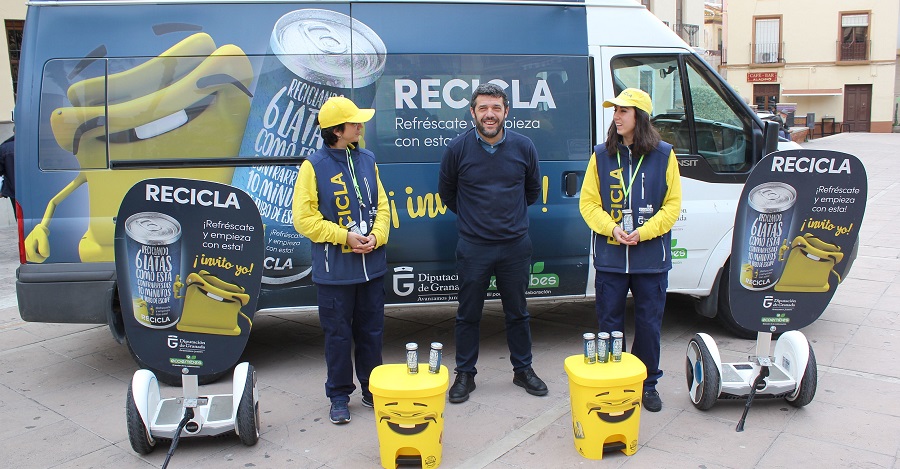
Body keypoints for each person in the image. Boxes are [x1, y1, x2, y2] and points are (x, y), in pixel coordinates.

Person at [438, 83, 548, 403]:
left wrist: (506, 220)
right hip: (473, 248)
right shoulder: (457, 149)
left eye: (496, 108)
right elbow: (448, 193)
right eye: (483, 108)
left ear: (506, 112)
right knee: (467, 314)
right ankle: (465, 374)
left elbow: (531, 191)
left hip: (515, 246)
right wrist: (476, 221)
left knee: (518, 313)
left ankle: (523, 370)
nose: (490, 115)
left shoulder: (524, 147)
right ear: (472, 112)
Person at [578, 88, 682, 412]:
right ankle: (614, 380)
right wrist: (612, 228)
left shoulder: (664, 154)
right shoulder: (601, 155)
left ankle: (647, 384)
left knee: (649, 325)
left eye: (624, 111)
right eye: (615, 111)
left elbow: (672, 206)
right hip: (611, 258)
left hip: (650, 258)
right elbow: (588, 203)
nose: (616, 116)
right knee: (609, 325)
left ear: (641, 117)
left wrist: (643, 232)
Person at [292, 96, 390, 424]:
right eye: (354, 122)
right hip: (335, 274)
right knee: (337, 336)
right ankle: (338, 394)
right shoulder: (313, 166)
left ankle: (371, 387)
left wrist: (377, 236)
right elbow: (304, 220)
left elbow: (384, 207)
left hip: (372, 268)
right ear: (336, 130)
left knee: (372, 332)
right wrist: (343, 236)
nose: (361, 126)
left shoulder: (368, 159)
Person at [0, 133, 14, 217]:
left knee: (21, 218)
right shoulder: (35, 144)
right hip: (36, 190)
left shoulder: (5, 148)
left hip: (14, 192)